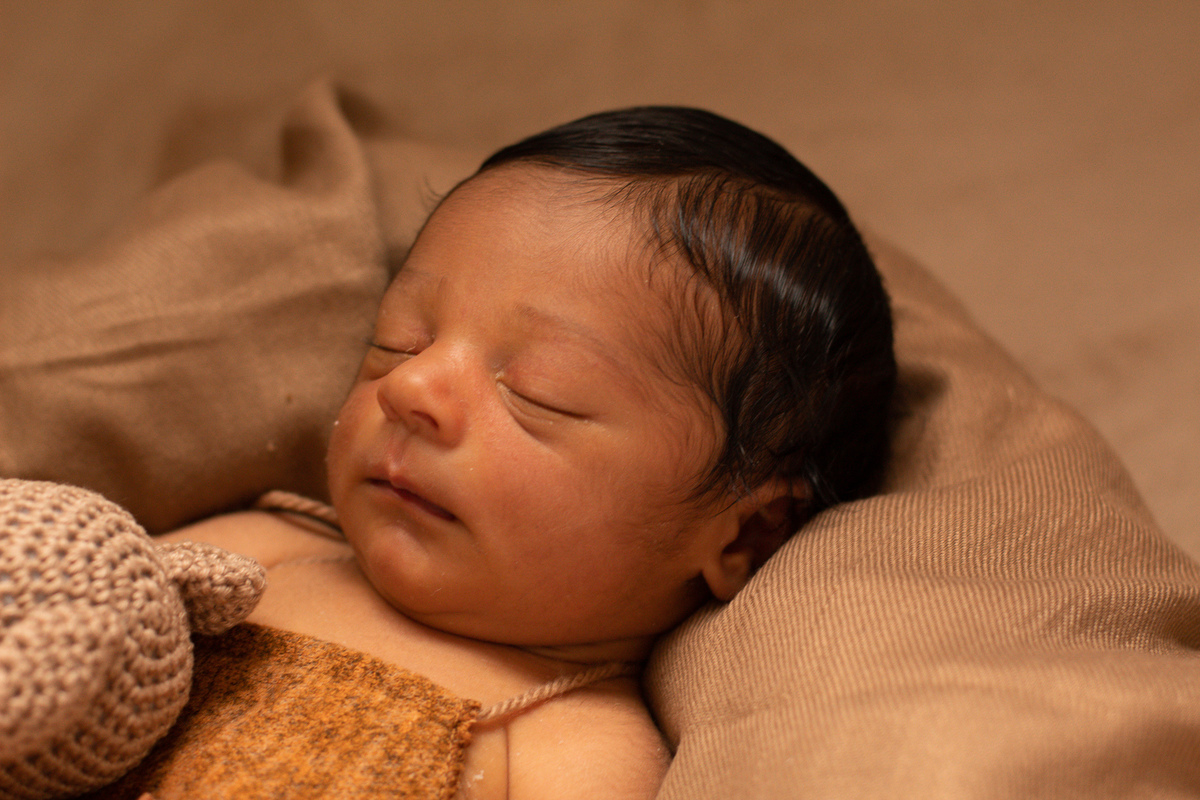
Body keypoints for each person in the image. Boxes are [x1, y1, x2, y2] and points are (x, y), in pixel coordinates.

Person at [159, 106, 896, 799]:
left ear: (747, 534)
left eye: (541, 391)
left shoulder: (575, 747)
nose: (409, 388)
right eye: (399, 341)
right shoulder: (262, 554)